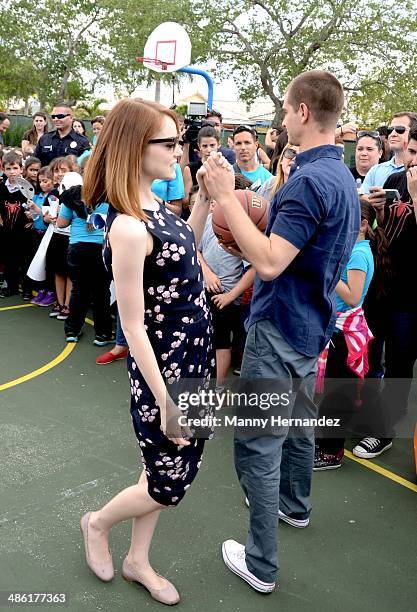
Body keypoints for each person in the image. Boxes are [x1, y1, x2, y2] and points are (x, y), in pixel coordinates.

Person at [200, 70, 360, 593]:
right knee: (297, 423)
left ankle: (261, 563)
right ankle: (295, 506)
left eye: (287, 110)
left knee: (257, 440)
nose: (282, 119)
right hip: (313, 324)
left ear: (304, 112)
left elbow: (269, 262)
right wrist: (248, 203)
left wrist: (225, 197)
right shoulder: (340, 179)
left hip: (282, 324)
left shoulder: (309, 180)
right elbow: (300, 248)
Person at [79, 98, 215, 605]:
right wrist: (164, 400)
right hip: (165, 369)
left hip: (193, 359)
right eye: (169, 142)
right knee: (167, 481)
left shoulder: (158, 206)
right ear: (137, 148)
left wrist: (201, 200)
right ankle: (96, 523)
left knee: (161, 471)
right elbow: (132, 327)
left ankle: (138, 561)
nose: (178, 151)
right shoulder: (128, 225)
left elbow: (184, 255)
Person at [352, 128, 417, 459]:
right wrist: (377, 212)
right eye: (411, 152)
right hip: (383, 285)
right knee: (369, 353)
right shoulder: (395, 178)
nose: (411, 161)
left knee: (399, 363)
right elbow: (385, 233)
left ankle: (384, 430)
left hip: (411, 295)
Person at [314, 201, 390, 470]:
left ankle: (331, 452)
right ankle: (326, 443)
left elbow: (354, 297)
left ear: (363, 224)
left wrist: (329, 273)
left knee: (338, 394)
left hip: (346, 332)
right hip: (338, 327)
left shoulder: (359, 254)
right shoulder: (351, 249)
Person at [56, 180, 113, 345]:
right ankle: (103, 334)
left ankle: (72, 330)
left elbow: (61, 224)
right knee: (101, 292)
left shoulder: (71, 197)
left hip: (77, 248)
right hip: (100, 249)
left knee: (79, 290)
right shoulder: (109, 195)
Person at [0, 151, 32, 298]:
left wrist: (32, 219)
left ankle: (27, 289)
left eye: (15, 168)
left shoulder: (28, 188)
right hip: (7, 231)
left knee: (25, 261)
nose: (12, 172)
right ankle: (10, 286)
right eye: (8, 169)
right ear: (3, 169)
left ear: (21, 169)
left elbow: (34, 209)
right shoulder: (1, 188)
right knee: (9, 259)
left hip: (24, 232)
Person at [361, 112, 417, 195]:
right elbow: (362, 200)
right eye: (390, 130)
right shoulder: (375, 170)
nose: (393, 134)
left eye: (400, 130)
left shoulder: (412, 168)